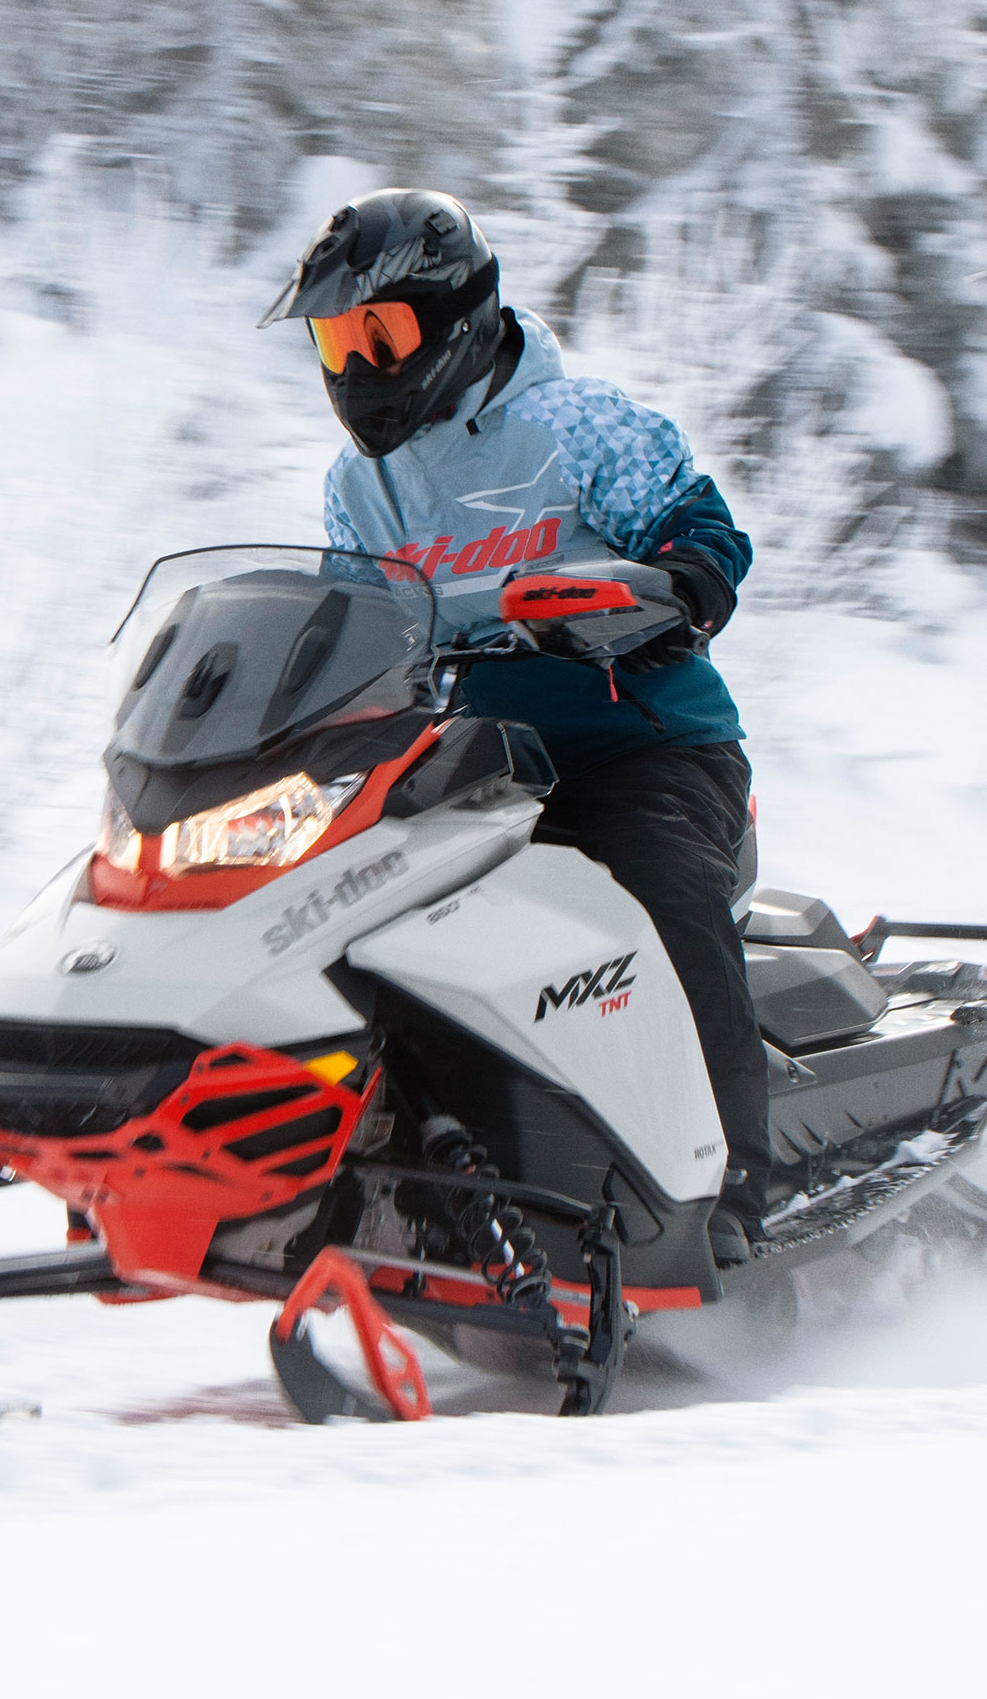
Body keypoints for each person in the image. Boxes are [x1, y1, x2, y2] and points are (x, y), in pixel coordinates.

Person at [262, 188, 783, 1260]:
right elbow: (357, 631)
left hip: (642, 743)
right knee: (340, 909)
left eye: (380, 333)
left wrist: (677, 586)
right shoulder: (359, 490)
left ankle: (731, 1191)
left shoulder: (580, 426)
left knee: (659, 893)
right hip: (477, 766)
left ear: (456, 321)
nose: (358, 366)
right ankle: (354, 1171)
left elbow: (705, 530)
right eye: (335, 338)